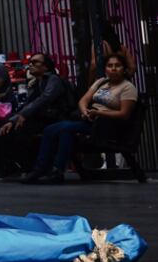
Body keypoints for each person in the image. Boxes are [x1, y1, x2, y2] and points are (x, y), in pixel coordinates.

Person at [23, 53, 137, 184]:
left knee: (53, 129)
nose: (113, 68)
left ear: (124, 69)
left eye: (117, 66)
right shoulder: (101, 82)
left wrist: (99, 113)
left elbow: (124, 114)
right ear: (105, 68)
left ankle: (40, 169)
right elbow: (84, 100)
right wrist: (85, 111)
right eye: (110, 65)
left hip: (108, 127)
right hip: (90, 121)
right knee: (64, 132)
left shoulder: (127, 87)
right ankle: (57, 171)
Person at [0, 52, 75, 181]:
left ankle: (28, 168)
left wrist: (23, 116)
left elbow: (43, 100)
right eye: (30, 63)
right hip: (40, 118)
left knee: (18, 131)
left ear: (46, 66)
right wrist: (12, 120)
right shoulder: (37, 82)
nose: (30, 65)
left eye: (35, 62)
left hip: (53, 119)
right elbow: (28, 104)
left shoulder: (52, 79)